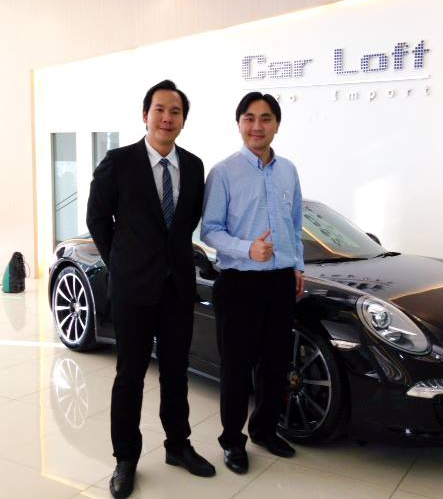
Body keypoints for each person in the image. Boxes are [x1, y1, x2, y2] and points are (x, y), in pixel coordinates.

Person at [87, 79, 215, 499]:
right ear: (145, 115)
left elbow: (185, 224)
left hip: (177, 287)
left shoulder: (193, 166)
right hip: (133, 288)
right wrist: (121, 262)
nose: (167, 118)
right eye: (160, 109)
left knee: (176, 372)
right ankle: (126, 458)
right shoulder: (119, 162)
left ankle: (178, 445)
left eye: (175, 112)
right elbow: (97, 218)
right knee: (130, 375)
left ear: (183, 120)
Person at [201, 91, 304, 474]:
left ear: (277, 125)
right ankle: (232, 441)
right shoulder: (224, 172)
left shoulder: (288, 170)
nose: (257, 126)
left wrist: (297, 266)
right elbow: (210, 230)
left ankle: (265, 430)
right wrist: (248, 249)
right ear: (239, 123)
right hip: (239, 285)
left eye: (265, 118)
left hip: (280, 283)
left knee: (275, 365)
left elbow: (295, 223)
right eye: (249, 118)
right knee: (237, 369)